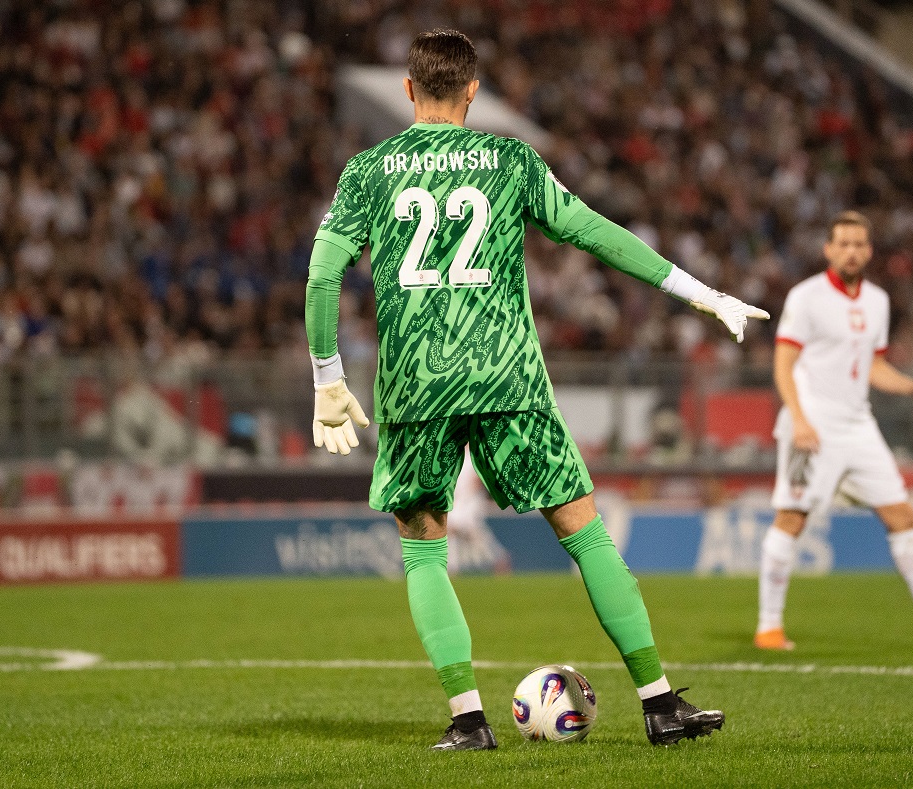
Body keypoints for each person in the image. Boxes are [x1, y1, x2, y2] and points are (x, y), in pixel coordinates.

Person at [305, 29, 768, 750]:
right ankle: (658, 702)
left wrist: (327, 378)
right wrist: (700, 292)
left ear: (406, 90)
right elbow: (594, 233)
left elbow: (322, 275)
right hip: (507, 374)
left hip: (416, 382)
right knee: (583, 531)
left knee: (424, 547)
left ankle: (468, 720)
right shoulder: (509, 159)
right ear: (472, 93)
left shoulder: (370, 169)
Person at [754, 211, 913, 652]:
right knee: (792, 518)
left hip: (858, 426)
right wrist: (800, 418)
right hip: (811, 424)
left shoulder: (877, 302)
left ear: (869, 251)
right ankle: (768, 627)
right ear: (828, 249)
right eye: (842, 243)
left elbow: (873, 367)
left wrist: (912, 386)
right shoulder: (806, 297)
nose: (851, 251)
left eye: (859, 244)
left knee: (902, 516)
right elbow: (783, 364)